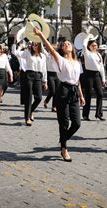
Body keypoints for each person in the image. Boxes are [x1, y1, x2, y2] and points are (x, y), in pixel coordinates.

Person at [33, 27, 85, 162]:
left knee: (77, 123)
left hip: (73, 92)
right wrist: (40, 34)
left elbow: (78, 80)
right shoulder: (61, 60)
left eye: (68, 43)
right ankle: (64, 149)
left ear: (72, 47)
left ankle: (63, 139)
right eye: (64, 44)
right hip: (63, 91)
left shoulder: (78, 63)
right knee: (64, 122)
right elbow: (50, 48)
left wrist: (81, 95)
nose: (66, 44)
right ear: (62, 49)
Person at [12, 40, 47, 126]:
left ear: (39, 46)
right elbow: (14, 52)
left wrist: (45, 81)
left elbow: (44, 69)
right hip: (29, 75)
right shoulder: (27, 53)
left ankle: (30, 110)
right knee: (29, 97)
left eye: (36, 45)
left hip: (38, 76)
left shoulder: (42, 56)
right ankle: (27, 118)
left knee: (39, 97)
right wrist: (15, 41)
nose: (34, 46)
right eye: (33, 45)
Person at [81, 35, 106, 121]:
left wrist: (103, 78)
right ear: (89, 46)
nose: (95, 47)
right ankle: (85, 114)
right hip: (88, 75)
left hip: (96, 75)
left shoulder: (98, 54)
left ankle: (98, 113)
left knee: (100, 94)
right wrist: (88, 37)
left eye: (96, 45)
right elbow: (84, 45)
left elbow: (101, 67)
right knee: (88, 95)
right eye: (93, 45)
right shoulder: (87, 53)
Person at [43, 43, 60, 112]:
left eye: (54, 49)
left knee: (57, 92)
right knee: (53, 91)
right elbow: (42, 48)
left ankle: (54, 106)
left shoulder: (58, 56)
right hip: (50, 74)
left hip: (57, 74)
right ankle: (46, 101)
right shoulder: (47, 55)